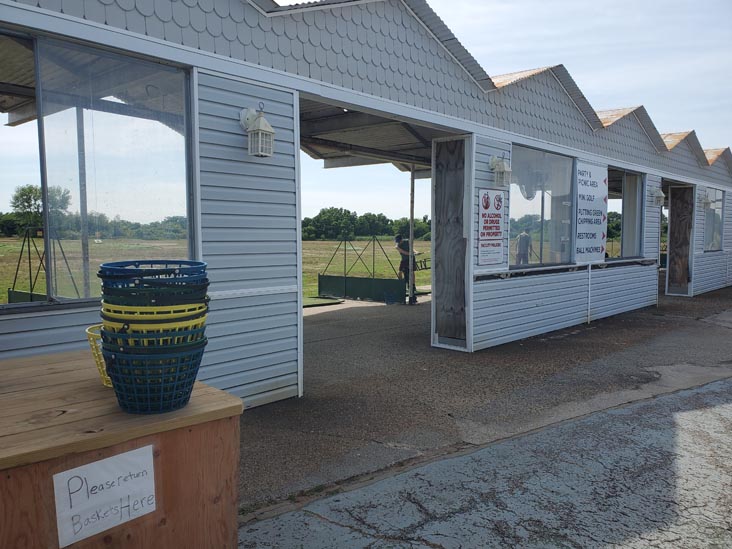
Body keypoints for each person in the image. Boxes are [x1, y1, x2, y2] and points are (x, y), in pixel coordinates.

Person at [394, 234, 419, 303]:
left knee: (412, 272)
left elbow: (411, 248)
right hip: (404, 260)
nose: (398, 242)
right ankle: (400, 283)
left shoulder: (407, 241)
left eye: (399, 241)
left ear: (402, 239)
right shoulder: (397, 245)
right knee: (400, 271)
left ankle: (413, 286)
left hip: (411, 259)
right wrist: (410, 253)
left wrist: (415, 252)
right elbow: (401, 251)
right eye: (397, 241)